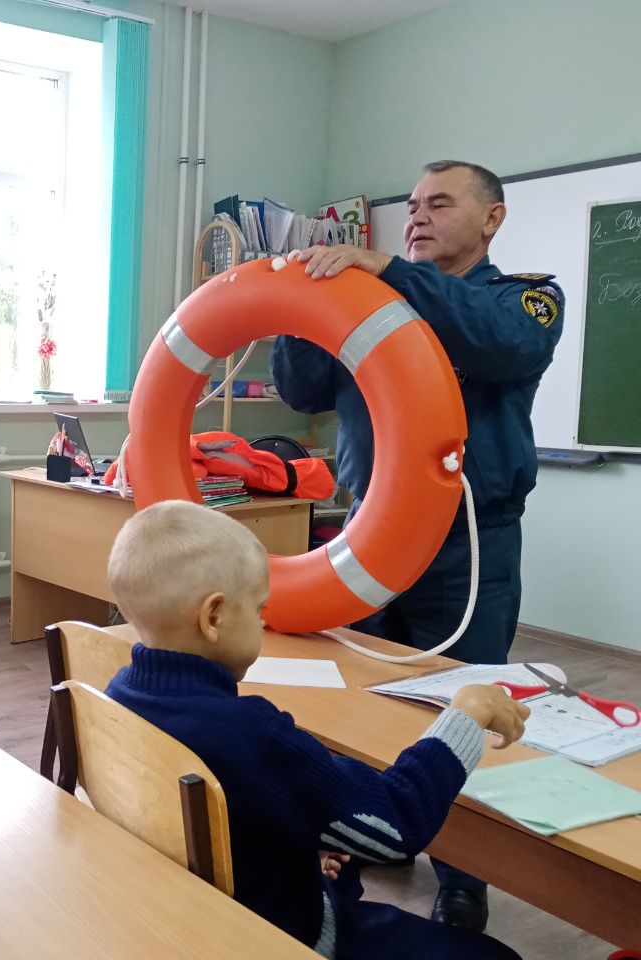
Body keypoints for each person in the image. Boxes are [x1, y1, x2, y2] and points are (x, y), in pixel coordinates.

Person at [270, 160, 564, 930]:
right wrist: (296, 302)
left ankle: (464, 877)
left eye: (440, 203)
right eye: (413, 206)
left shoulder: (525, 297)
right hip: (368, 531)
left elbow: (500, 344)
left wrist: (393, 274)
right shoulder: (368, 300)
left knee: (461, 700)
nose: (418, 217)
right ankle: (375, 827)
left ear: (492, 219)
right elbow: (303, 389)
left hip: (470, 544)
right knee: (362, 697)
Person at [103, 501, 527, 960]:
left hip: (192, 920)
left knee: (343, 867)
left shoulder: (117, 694)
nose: (263, 621)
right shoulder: (250, 732)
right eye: (259, 609)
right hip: (281, 940)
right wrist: (466, 714)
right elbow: (397, 823)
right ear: (214, 617)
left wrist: (291, 846)